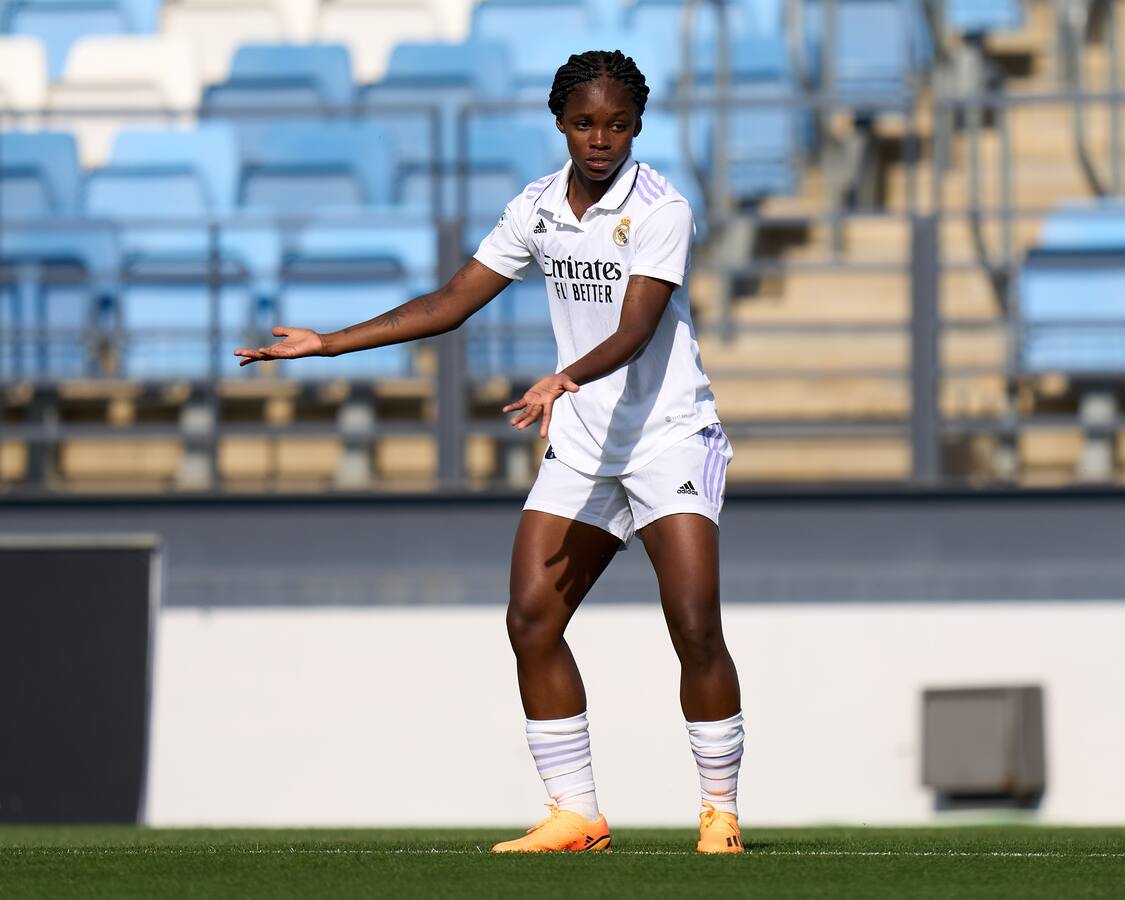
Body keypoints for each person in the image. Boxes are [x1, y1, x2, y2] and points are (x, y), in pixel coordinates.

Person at [234, 50, 745, 855]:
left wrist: (563, 377)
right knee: (531, 619)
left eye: (616, 124)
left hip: (667, 434)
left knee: (691, 623)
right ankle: (575, 814)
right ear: (561, 124)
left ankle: (719, 812)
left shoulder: (662, 208)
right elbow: (451, 301)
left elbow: (638, 328)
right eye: (584, 123)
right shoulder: (536, 206)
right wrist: (328, 344)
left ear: (637, 126)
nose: (600, 138)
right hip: (582, 443)